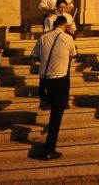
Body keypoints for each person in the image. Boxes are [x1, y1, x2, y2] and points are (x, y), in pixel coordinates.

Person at [30, 15, 77, 160]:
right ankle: (49, 150)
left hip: (44, 80)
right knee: (57, 116)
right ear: (65, 25)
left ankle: (46, 105)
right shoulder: (68, 38)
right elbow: (73, 55)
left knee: (53, 112)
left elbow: (34, 57)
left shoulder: (43, 38)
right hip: (59, 81)